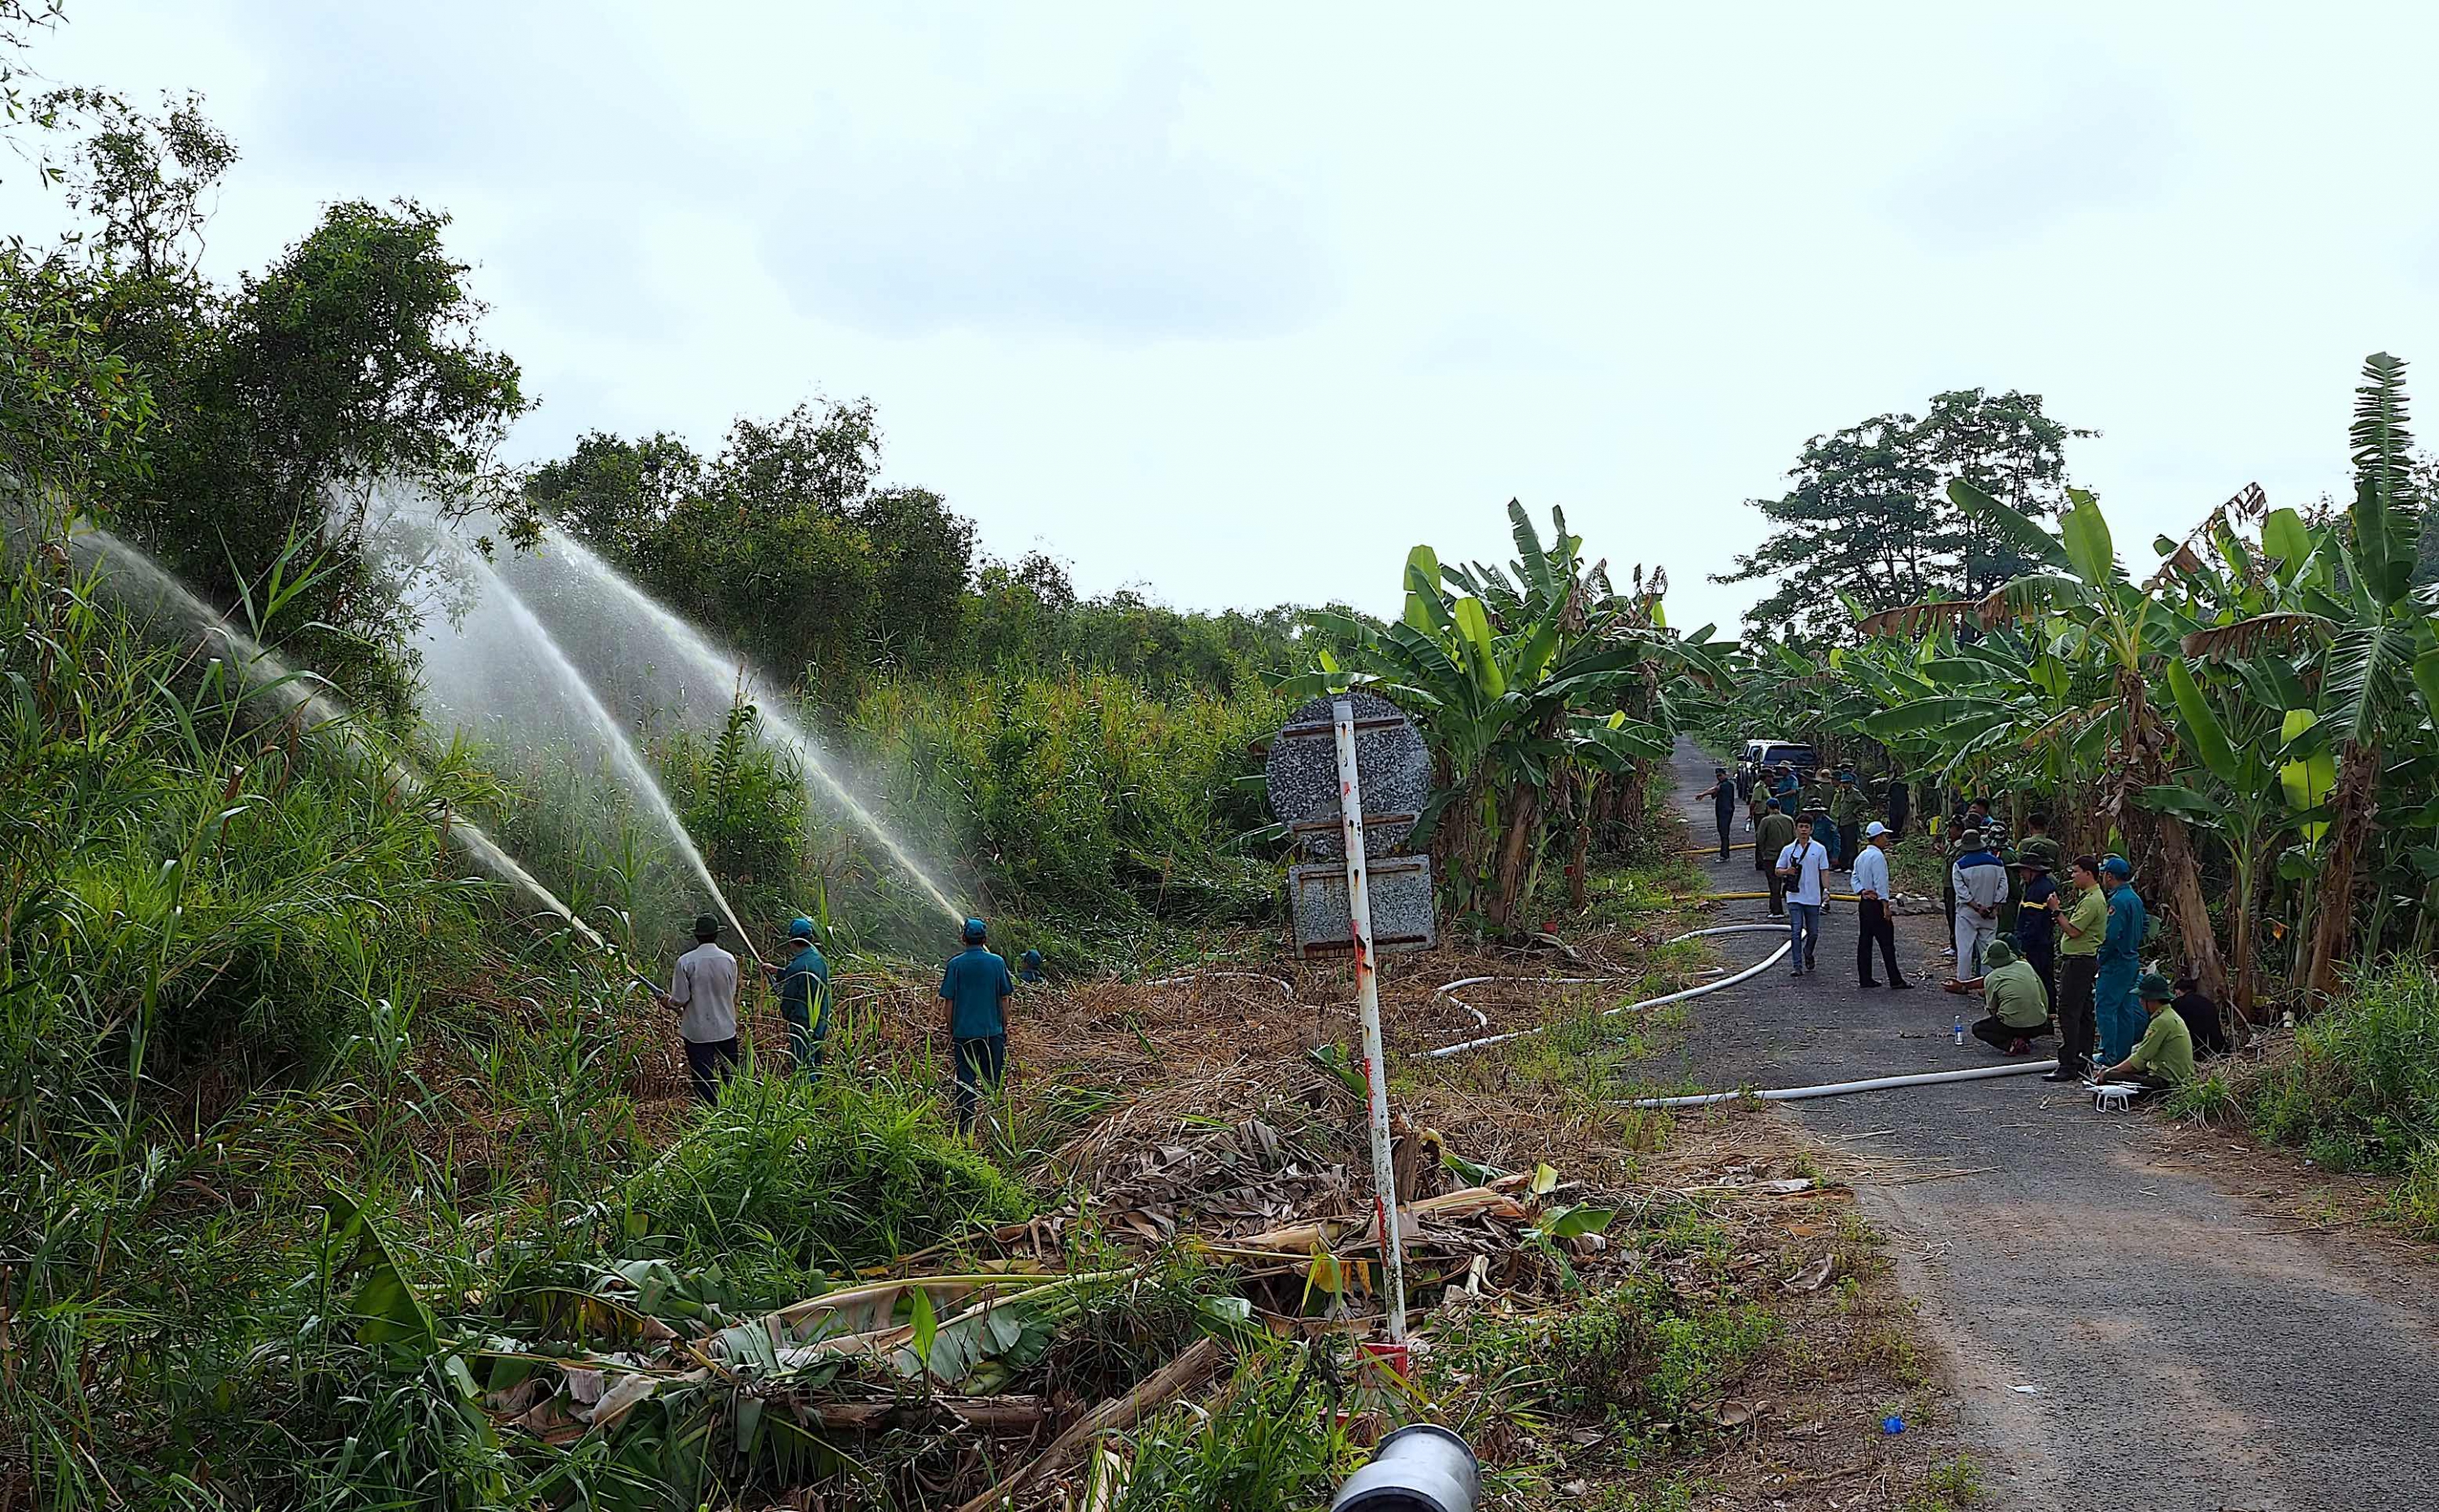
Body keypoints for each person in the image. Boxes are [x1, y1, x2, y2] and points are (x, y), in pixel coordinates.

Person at [939, 916, 1015, 1134]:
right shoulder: (997, 963)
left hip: (964, 1033)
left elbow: (949, 1003)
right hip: (992, 1032)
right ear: (985, 939)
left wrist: (951, 1029)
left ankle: (964, 1129)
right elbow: (1004, 999)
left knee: (965, 1081)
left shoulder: (955, 965)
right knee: (993, 1079)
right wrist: (1004, 1026)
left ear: (963, 938)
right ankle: (995, 1125)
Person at [663, 913, 741, 1103]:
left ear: (697, 936)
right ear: (716, 934)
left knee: (703, 1077)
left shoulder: (686, 961)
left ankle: (709, 1113)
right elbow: (730, 994)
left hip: (698, 1032)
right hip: (726, 1028)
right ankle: (731, 1111)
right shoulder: (729, 960)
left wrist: (668, 1002)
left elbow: (680, 999)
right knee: (730, 1075)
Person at [2046, 854, 2106, 1082]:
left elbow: (2073, 931)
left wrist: (2056, 910)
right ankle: (2082, 1058)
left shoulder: (2092, 901)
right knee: (2083, 1012)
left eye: (2076, 871)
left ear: (2088, 874)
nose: (2072, 876)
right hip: (2080, 959)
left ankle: (2069, 1063)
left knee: (2069, 1011)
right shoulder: (2088, 897)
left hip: (2080, 961)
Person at [1944, 938, 2053, 1055]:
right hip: (2040, 1024)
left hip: (2014, 1024)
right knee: (2018, 1013)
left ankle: (2010, 1044)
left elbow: (1993, 1009)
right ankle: (2023, 1037)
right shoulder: (2025, 966)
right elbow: (2043, 994)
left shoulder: (1993, 978)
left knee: (1979, 1028)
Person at [2094, 855, 2150, 1069]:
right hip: (2131, 960)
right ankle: (2123, 1053)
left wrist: (2101, 958)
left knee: (2106, 1007)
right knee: (2125, 1008)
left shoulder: (2117, 901)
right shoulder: (2134, 898)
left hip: (2116, 962)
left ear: (2109, 876)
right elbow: (2145, 926)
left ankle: (2108, 1054)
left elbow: (2111, 936)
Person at [2096, 972, 2193, 1090]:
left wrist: (2110, 1071)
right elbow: (2141, 1050)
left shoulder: (2161, 1022)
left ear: (2150, 1000)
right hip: (2173, 1078)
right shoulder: (2168, 1016)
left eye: (2141, 998)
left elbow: (2138, 1061)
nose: (2140, 1002)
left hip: (2167, 1082)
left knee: (2108, 1077)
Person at [1850, 820, 1911, 989]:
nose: (1886, 839)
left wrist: (1861, 890)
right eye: (1884, 835)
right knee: (1887, 942)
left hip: (1865, 902)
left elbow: (1854, 877)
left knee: (1865, 940)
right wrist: (1886, 905)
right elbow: (1881, 883)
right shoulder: (1878, 857)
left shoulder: (1862, 855)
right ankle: (1895, 978)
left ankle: (1865, 977)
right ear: (1878, 838)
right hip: (1876, 903)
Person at [767, 916, 831, 1077]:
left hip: (802, 1020)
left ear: (792, 940)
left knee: (802, 1060)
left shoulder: (798, 965)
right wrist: (775, 970)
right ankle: (818, 1091)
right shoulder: (818, 959)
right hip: (821, 1017)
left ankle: (806, 1093)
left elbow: (789, 998)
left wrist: (786, 1014)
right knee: (816, 1055)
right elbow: (795, 974)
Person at [1776, 815, 1832, 976]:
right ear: (1796, 829)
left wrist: (1826, 891)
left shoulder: (1819, 849)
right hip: (1794, 896)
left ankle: (1808, 952)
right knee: (1796, 931)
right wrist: (1787, 871)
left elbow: (1824, 871)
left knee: (1813, 932)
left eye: (1806, 827)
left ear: (1811, 829)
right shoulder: (1788, 850)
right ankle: (1797, 965)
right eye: (1800, 827)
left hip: (1813, 896)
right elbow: (1777, 870)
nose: (1803, 830)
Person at [1950, 828, 2007, 976]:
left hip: (1967, 913)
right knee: (1987, 948)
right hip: (1990, 913)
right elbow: (2003, 888)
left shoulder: (1960, 865)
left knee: (1965, 949)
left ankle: (1963, 981)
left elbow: (1961, 891)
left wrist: (1977, 907)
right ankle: (1986, 982)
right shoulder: (1997, 863)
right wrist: (1994, 906)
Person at [2014, 851, 2059, 1015]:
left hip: (2037, 944)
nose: (2021, 874)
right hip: (2043, 941)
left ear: (2033, 871)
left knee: (2038, 979)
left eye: (2023, 871)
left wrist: (2023, 944)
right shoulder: (2040, 886)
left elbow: (2033, 922)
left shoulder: (2037, 890)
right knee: (2046, 978)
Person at [1754, 798, 1796, 918]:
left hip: (1771, 856)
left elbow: (1760, 838)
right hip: (1787, 857)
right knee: (1790, 882)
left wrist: (1762, 854)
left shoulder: (1766, 821)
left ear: (1768, 808)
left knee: (1774, 883)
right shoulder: (1789, 819)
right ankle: (1792, 908)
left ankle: (1776, 910)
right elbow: (1794, 838)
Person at [2171, 974, 2231, 1056]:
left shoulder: (2178, 1004)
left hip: (2198, 1049)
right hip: (2219, 1048)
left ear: (2178, 992)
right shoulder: (2208, 1002)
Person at [1698, 765, 1740, 862]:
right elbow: (1715, 793)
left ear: (1725, 775)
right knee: (1722, 833)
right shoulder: (1722, 784)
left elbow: (1715, 790)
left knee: (1724, 833)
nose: (1719, 778)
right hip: (1722, 811)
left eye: (1720, 775)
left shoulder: (1727, 784)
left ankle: (1724, 855)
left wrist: (1703, 794)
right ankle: (1724, 854)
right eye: (1717, 776)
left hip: (1726, 811)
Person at [1832, 769, 1868, 873]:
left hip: (1850, 822)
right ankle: (1843, 865)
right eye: (1843, 783)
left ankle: (1851, 866)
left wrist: (1855, 811)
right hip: (1842, 821)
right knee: (1842, 845)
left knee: (1851, 846)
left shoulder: (1855, 793)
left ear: (1851, 783)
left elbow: (1865, 802)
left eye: (1847, 783)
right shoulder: (1842, 792)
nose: (1845, 785)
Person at [1885, 767, 1911, 838]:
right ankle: (1893, 836)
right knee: (1895, 821)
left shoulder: (1905, 785)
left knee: (1898, 821)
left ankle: (1895, 836)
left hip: (1899, 805)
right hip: (1896, 805)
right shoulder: (1894, 784)